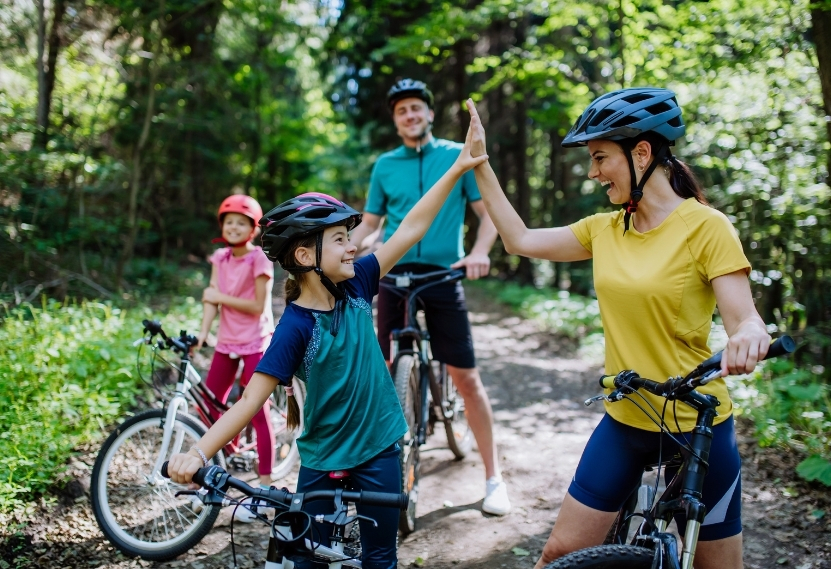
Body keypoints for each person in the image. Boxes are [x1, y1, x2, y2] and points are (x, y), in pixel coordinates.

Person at [462, 90, 770, 569]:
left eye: (600, 157)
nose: (592, 172)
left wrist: (749, 334)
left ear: (642, 153)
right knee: (559, 554)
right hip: (626, 416)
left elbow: (743, 317)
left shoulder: (707, 228)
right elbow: (519, 239)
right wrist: (480, 164)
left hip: (697, 425)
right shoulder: (604, 229)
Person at [166, 123, 489, 568]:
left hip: (380, 449)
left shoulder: (358, 284)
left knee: (380, 560)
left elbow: (411, 225)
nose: (353, 246)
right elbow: (248, 402)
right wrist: (198, 452)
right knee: (308, 560)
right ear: (304, 257)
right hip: (321, 459)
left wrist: (457, 168)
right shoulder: (294, 327)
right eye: (339, 239)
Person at [348, 78, 510, 516]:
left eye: (417, 108)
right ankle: (373, 466)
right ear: (395, 119)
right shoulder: (385, 164)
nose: (410, 115)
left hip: (443, 274)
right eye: (402, 110)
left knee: (467, 379)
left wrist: (478, 252)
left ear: (430, 113)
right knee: (382, 367)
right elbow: (369, 223)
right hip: (393, 272)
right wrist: (348, 248)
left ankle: (494, 478)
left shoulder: (454, 155)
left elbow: (487, 215)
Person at [193, 194, 275, 522]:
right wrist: (202, 334)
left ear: (253, 229)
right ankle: (214, 478)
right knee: (209, 407)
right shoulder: (220, 258)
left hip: (256, 341)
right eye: (229, 222)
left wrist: (219, 296)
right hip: (226, 342)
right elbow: (211, 301)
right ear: (222, 226)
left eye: (242, 223)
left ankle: (267, 489)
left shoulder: (259, 260)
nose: (234, 227)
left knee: (256, 411)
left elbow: (257, 306)